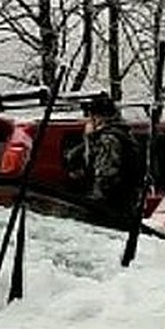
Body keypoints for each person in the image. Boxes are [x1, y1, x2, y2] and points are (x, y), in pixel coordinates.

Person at [64, 94, 143, 229]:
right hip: (123, 205)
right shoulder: (123, 134)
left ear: (98, 117)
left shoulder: (109, 139)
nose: (88, 121)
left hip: (112, 210)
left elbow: (106, 176)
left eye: (91, 117)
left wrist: (92, 205)